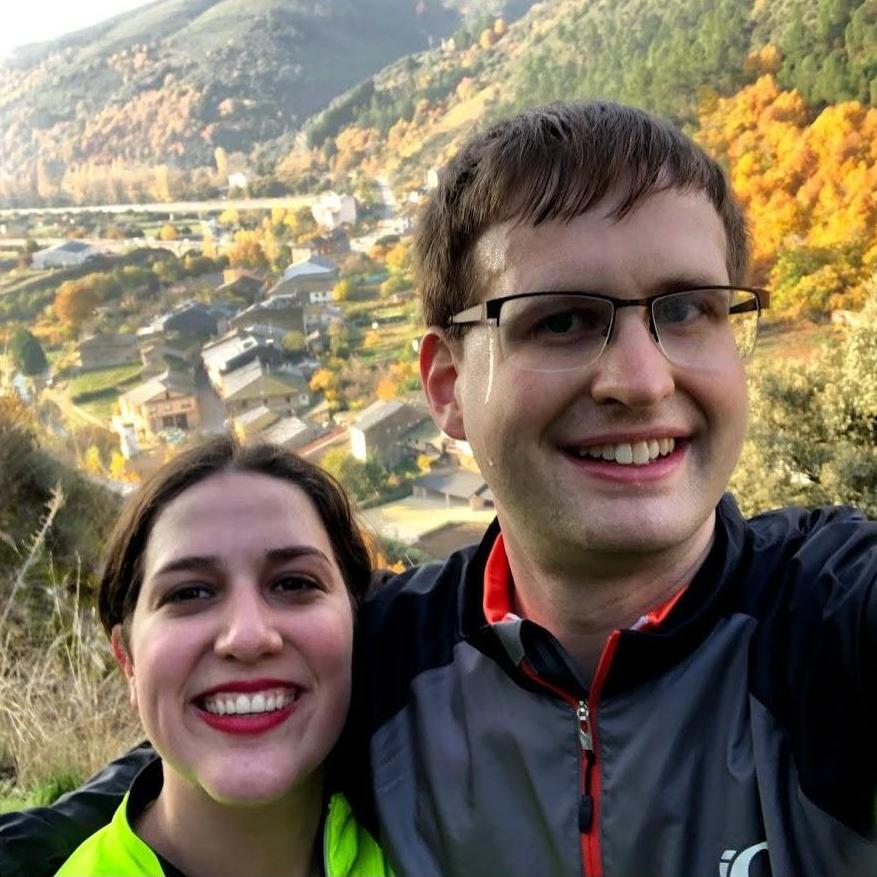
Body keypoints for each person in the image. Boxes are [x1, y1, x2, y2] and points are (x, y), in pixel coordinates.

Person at [2, 100, 876, 877]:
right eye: (563, 320)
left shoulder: (830, 624)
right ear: (447, 385)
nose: (642, 380)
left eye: (687, 309)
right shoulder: (388, 659)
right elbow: (179, 768)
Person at [51, 436, 388, 876]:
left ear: (357, 626)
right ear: (127, 661)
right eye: (189, 592)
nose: (247, 637)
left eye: (293, 584)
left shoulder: (446, 849)